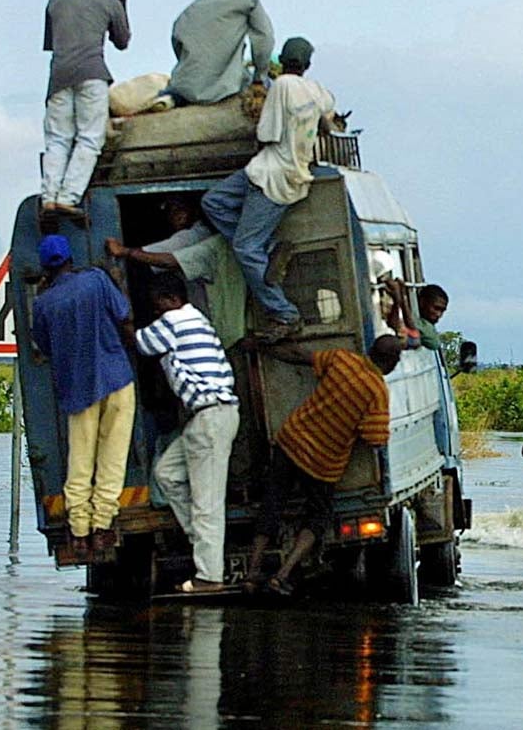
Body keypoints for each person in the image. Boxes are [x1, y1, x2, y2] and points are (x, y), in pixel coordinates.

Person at [202, 36, 344, 342]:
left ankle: (284, 312)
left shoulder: (281, 87)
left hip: (270, 175)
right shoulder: (317, 92)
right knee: (214, 202)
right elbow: (327, 116)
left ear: (283, 60)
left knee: (243, 247)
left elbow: (266, 133)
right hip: (286, 172)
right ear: (307, 64)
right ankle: (266, 251)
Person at [249, 335, 404, 595]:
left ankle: (252, 572)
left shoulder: (343, 359)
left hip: (291, 441)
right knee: (318, 516)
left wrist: (264, 348)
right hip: (322, 461)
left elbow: (299, 356)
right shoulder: (377, 392)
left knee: (272, 504)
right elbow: (375, 438)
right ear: (392, 362)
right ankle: (282, 575)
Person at [29, 234, 136, 559]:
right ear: (71, 260)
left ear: (46, 268)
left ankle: (78, 534)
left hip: (77, 389)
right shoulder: (97, 280)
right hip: (116, 378)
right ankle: (102, 527)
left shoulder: (43, 303)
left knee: (79, 462)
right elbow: (124, 317)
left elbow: (44, 347)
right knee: (113, 458)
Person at [137, 271, 241, 593]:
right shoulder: (196, 320)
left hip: (209, 419)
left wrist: (121, 319)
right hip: (208, 419)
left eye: (158, 307)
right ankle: (206, 545)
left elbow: (139, 343)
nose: (157, 313)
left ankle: (209, 577)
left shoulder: (176, 321)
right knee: (167, 473)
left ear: (172, 300)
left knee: (206, 504)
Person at [42, 0, 130, 219]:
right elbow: (122, 41)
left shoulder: (55, 1)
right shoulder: (107, 0)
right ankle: (68, 197)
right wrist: (122, 1)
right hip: (92, 75)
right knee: (90, 138)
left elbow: (52, 45)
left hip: (58, 77)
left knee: (58, 139)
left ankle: (49, 197)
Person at [106, 197, 246, 348]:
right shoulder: (221, 239)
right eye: (170, 212)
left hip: (219, 327)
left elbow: (168, 260)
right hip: (229, 327)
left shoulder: (195, 235)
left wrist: (124, 251)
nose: (174, 216)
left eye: (179, 210)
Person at [167, 0, 274, 106]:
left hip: (185, 88)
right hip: (227, 88)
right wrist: (259, 77)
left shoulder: (183, 16)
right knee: (274, 90)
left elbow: (179, 52)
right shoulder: (249, 4)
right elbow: (265, 39)